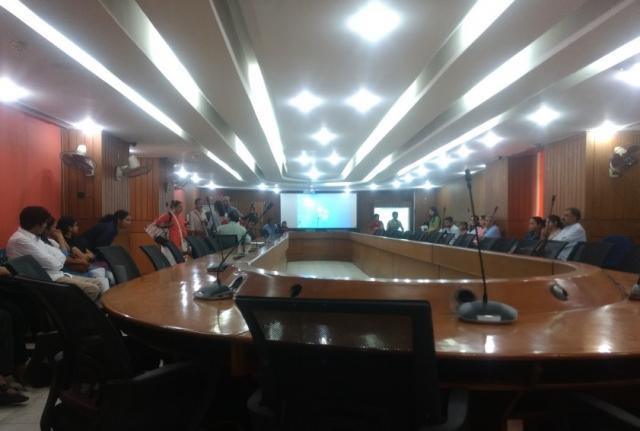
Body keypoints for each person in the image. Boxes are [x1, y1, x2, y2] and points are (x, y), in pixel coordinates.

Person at [6, 207, 102, 301]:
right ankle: (68, 311)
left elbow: (60, 255)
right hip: (44, 282)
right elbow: (53, 264)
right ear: (37, 225)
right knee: (92, 289)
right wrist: (58, 260)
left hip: (56, 274)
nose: (45, 226)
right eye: (45, 223)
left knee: (98, 283)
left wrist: (57, 259)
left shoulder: (33, 237)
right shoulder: (20, 240)